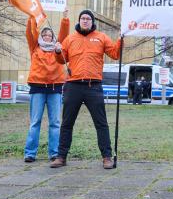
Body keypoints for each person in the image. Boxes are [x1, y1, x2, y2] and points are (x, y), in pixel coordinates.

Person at [50, 10, 121, 169]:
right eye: (82, 18)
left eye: (88, 18)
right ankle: (61, 157)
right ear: (79, 20)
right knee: (67, 123)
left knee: (101, 123)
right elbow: (62, 60)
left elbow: (115, 54)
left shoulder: (101, 37)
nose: (85, 21)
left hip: (93, 86)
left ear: (92, 21)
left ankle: (107, 157)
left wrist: (120, 39)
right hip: (73, 86)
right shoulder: (70, 38)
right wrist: (57, 51)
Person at [24, 11, 70, 167]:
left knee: (55, 123)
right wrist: (32, 17)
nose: (47, 37)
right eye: (45, 35)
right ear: (41, 37)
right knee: (35, 122)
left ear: (53, 37)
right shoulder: (35, 47)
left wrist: (65, 19)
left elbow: (64, 35)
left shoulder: (58, 47)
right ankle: (30, 153)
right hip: (37, 88)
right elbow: (30, 33)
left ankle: (55, 153)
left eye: (50, 35)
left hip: (55, 89)